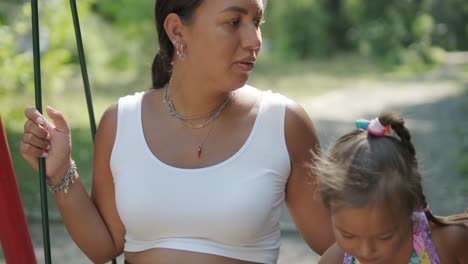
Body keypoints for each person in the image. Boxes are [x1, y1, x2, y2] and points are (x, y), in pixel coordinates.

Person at [19, 0, 335, 263]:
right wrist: (61, 173)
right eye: (234, 21)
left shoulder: (283, 123)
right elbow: (105, 247)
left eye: (257, 21)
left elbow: (344, 241)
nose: (254, 40)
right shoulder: (121, 122)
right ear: (177, 30)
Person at [314, 113, 468, 264]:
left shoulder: (449, 245)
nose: (366, 251)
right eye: (347, 235)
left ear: (411, 205)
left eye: (384, 236)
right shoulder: (335, 260)